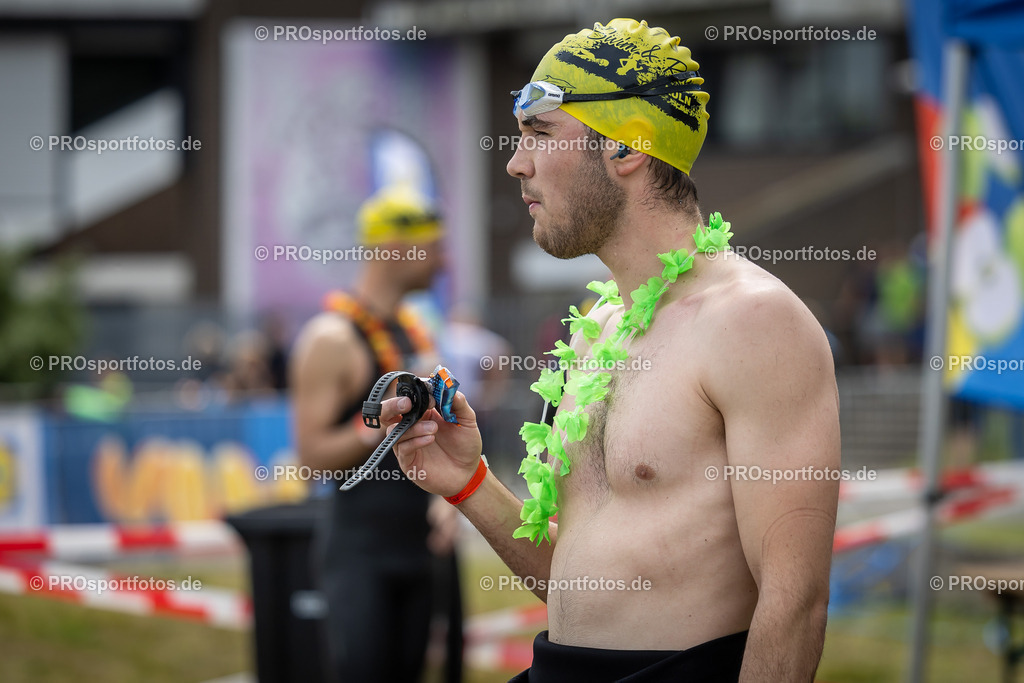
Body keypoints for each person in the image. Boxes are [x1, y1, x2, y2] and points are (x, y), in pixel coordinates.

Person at [379, 19, 840, 682]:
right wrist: (469, 482)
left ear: (626, 149)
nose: (515, 162)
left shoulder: (753, 322)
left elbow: (794, 603)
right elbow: (582, 586)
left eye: (538, 132)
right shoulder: (598, 323)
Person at [290, 184, 461, 682]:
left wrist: (446, 501)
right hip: (362, 552)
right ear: (395, 249)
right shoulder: (332, 339)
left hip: (421, 545)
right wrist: (375, 430)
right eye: (434, 249)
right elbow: (311, 457)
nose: (443, 263)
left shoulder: (415, 332)